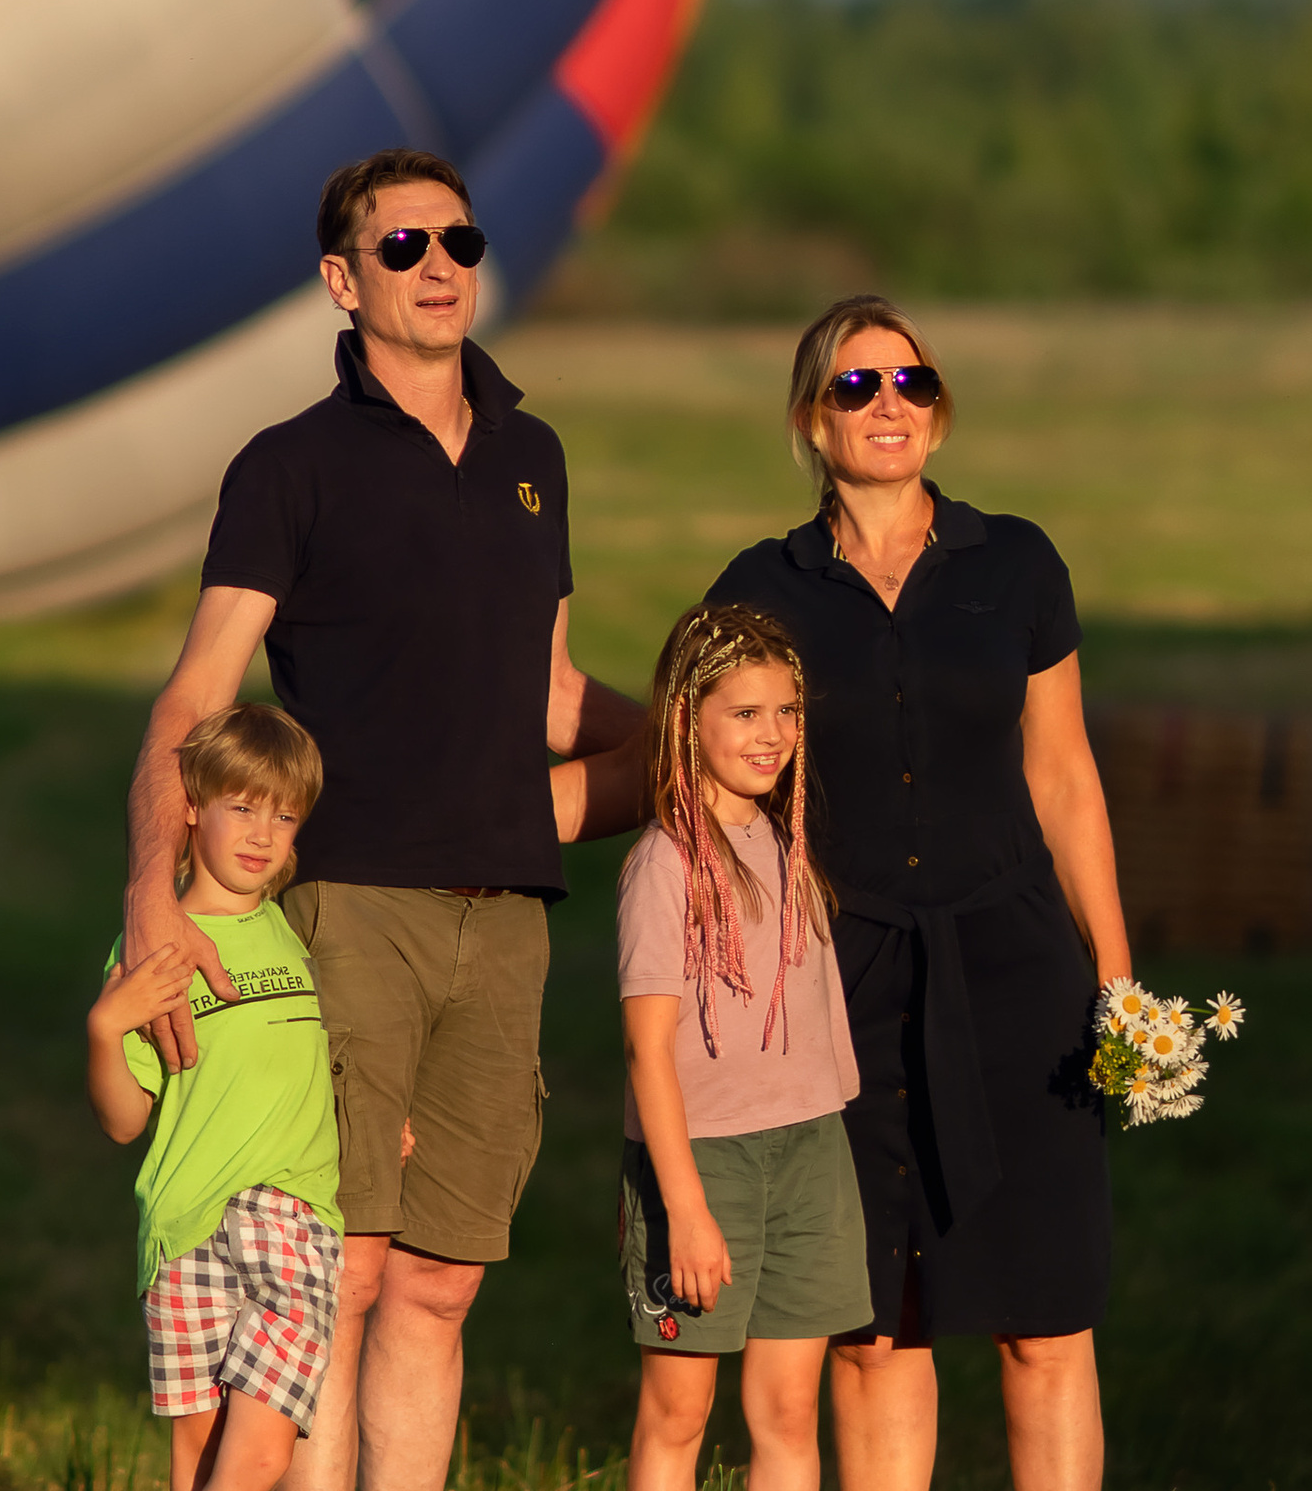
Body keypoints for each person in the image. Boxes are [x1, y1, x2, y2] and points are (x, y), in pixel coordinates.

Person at [119, 147, 644, 1491]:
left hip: (508, 916)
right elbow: (196, 693)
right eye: (401, 248)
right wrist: (148, 898)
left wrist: (697, 741)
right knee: (340, 1272)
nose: (438, 268)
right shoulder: (290, 467)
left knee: (442, 1285)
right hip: (349, 907)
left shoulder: (535, 454)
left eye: (457, 242)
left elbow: (551, 691)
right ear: (340, 282)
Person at [702, 294, 1130, 1491]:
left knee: (1045, 1323)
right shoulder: (760, 586)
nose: (886, 404)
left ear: (939, 417)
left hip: (1017, 976)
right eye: (855, 386)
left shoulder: (1018, 564)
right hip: (839, 988)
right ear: (808, 418)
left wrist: (1114, 974)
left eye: (911, 384)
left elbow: (1064, 774)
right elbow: (717, 778)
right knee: (874, 1330)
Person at [618, 603, 872, 1491]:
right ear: (689, 720)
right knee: (680, 1413)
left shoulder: (781, 839)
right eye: (746, 713)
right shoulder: (666, 862)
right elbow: (649, 1052)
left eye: (787, 713)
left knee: (790, 1413)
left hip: (810, 1149)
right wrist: (684, 1208)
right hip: (704, 1165)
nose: (773, 736)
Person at [89, 706, 341, 1491]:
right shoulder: (154, 946)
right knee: (196, 1460)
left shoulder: (293, 931)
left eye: (285, 815)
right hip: (183, 1228)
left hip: (292, 1226)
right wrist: (105, 1030)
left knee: (263, 1455)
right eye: (242, 806)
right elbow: (126, 1120)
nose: (264, 833)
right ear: (191, 807)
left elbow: (300, 1069)